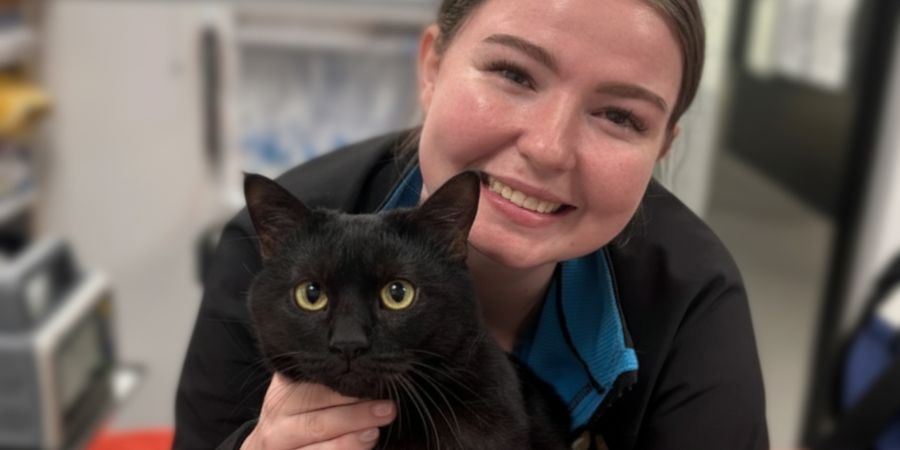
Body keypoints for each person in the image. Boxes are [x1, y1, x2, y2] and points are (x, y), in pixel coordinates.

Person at [174, 0, 770, 448]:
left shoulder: (695, 294)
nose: (548, 148)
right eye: (514, 74)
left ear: (663, 145)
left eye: (619, 115)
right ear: (432, 67)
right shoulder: (269, 242)